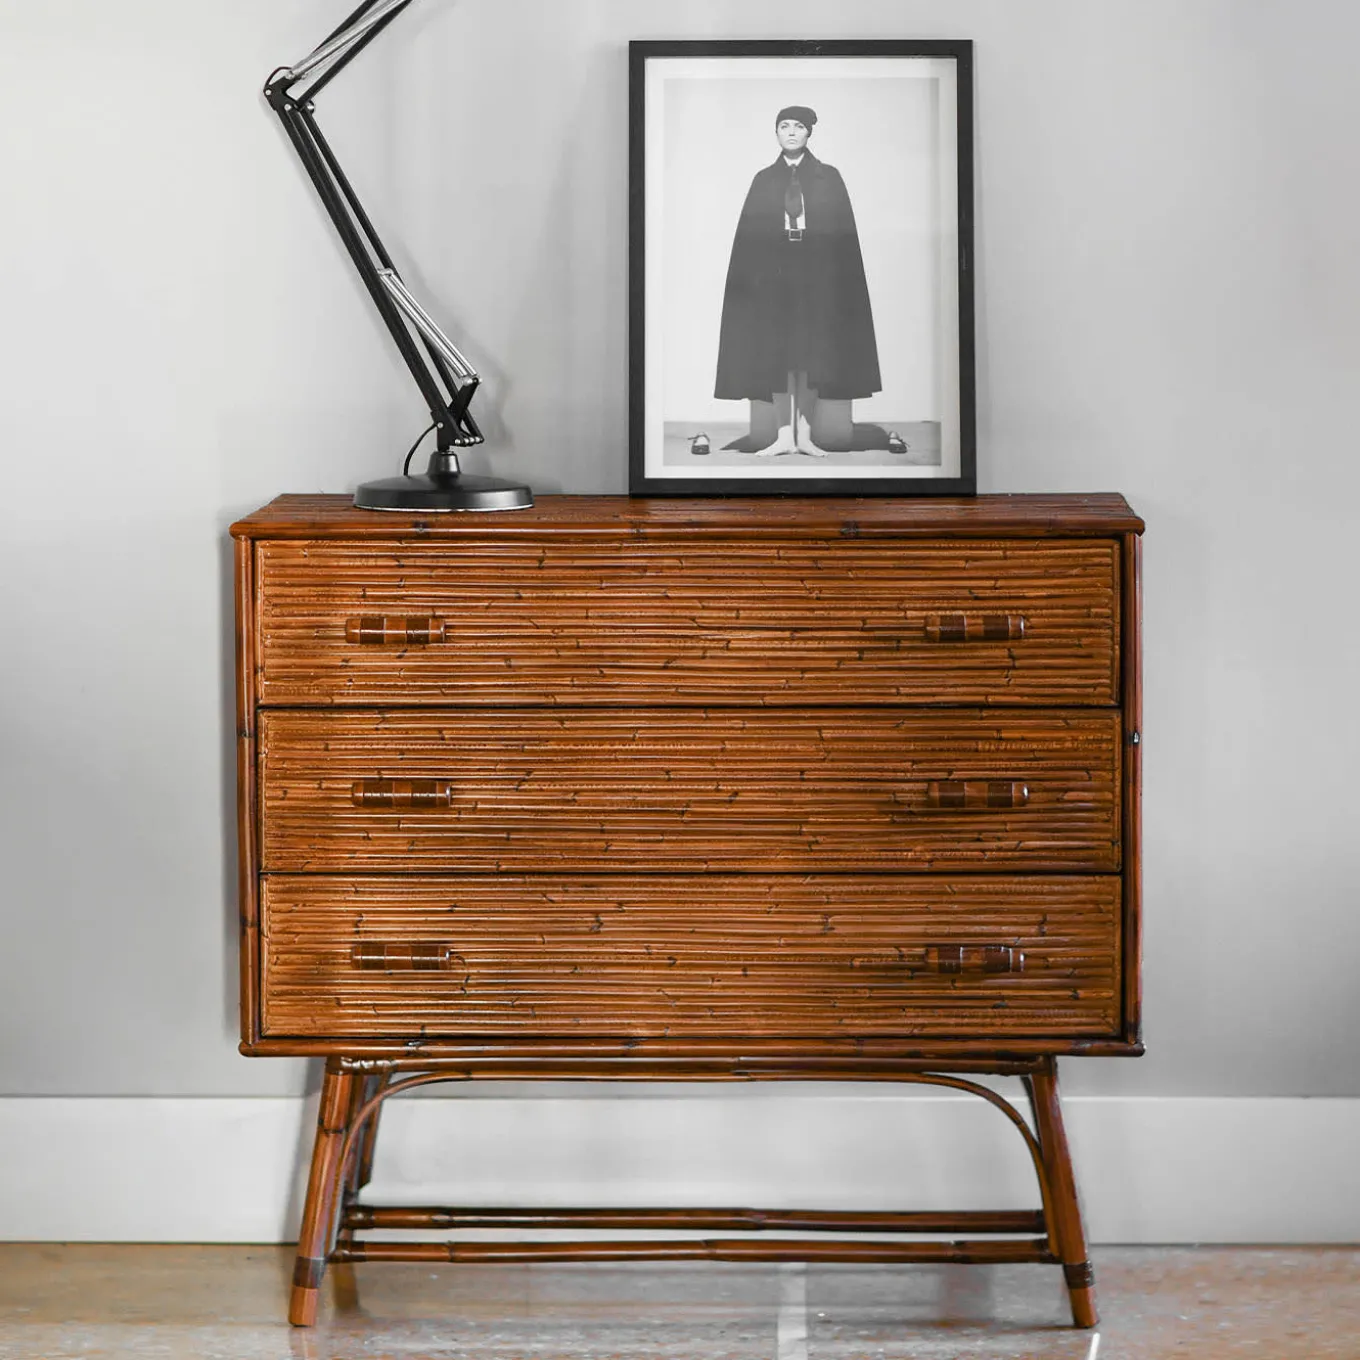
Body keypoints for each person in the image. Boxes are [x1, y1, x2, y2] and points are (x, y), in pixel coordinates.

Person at [713, 105, 881, 456]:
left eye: (798, 126)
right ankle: (783, 436)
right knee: (777, 352)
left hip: (817, 274)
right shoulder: (763, 179)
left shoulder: (829, 177)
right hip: (774, 275)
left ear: (809, 133)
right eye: (784, 126)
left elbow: (841, 236)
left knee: (811, 354)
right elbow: (750, 237)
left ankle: (805, 436)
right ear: (776, 133)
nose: (791, 132)